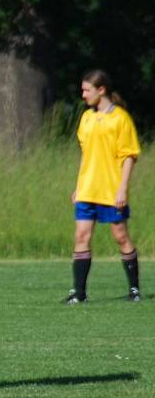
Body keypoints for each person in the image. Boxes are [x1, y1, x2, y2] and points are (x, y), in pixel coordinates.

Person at [65, 69, 141, 304]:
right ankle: (79, 293)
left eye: (87, 90)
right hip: (88, 189)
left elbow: (129, 156)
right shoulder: (87, 118)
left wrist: (122, 189)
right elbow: (85, 155)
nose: (83, 95)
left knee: (120, 236)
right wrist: (79, 185)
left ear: (101, 90)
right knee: (81, 236)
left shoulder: (120, 119)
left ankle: (134, 289)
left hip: (110, 189)